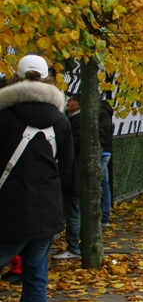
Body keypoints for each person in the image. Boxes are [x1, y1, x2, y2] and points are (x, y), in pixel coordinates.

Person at [0, 54, 73, 302]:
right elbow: (66, 170)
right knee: (35, 282)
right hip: (46, 215)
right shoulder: (60, 121)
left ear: (16, 77)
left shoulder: (4, 117)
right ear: (47, 79)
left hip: (8, 213)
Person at [54, 93, 83, 260]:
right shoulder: (72, 120)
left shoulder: (76, 122)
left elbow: (74, 144)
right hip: (73, 171)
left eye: (72, 100)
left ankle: (73, 247)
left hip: (73, 172)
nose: (69, 102)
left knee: (73, 211)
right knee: (74, 210)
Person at [99, 97, 114, 226]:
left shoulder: (98, 114)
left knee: (102, 184)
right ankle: (105, 216)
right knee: (104, 184)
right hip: (106, 151)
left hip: (100, 151)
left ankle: (104, 216)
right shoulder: (107, 115)